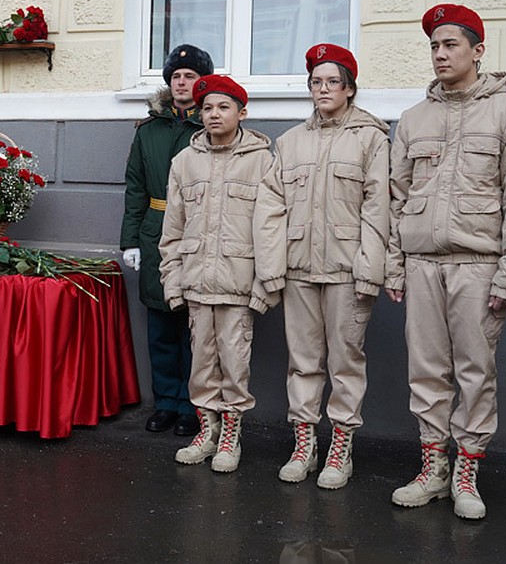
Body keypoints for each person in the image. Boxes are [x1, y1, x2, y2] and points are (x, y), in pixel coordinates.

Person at [385, 4, 506, 519]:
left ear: (478, 51)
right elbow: (396, 198)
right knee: (426, 370)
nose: (441, 54)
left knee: (475, 372)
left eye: (451, 44)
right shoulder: (413, 119)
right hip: (423, 263)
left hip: (480, 265)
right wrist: (394, 265)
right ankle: (433, 467)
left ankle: (467, 472)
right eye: (434, 45)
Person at [258, 44, 389, 488]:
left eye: (333, 82)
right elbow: (271, 209)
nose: (323, 89)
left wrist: (371, 270)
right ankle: (304, 443)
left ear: (350, 89)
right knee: (303, 361)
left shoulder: (371, 138)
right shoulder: (290, 142)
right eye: (316, 82)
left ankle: (341, 447)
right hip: (298, 268)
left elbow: (378, 209)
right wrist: (273, 268)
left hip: (347, 269)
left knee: (346, 361)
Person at [159, 75, 279, 473]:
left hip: (238, 286)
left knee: (234, 362)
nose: (214, 114)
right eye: (207, 107)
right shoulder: (184, 162)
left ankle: (231, 433)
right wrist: (172, 281)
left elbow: (271, 228)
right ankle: (206, 429)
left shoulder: (262, 160)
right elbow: (172, 230)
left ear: (241, 113)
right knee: (202, 363)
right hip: (196, 282)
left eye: (223, 107)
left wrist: (265, 285)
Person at [121, 44, 214, 437]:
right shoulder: (149, 131)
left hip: (198, 231)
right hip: (156, 232)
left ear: (202, 83)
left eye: (190, 76)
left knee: (196, 328)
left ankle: (196, 407)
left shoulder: (211, 125)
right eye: (176, 76)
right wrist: (130, 241)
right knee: (160, 327)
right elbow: (136, 187)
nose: (181, 82)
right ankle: (166, 403)